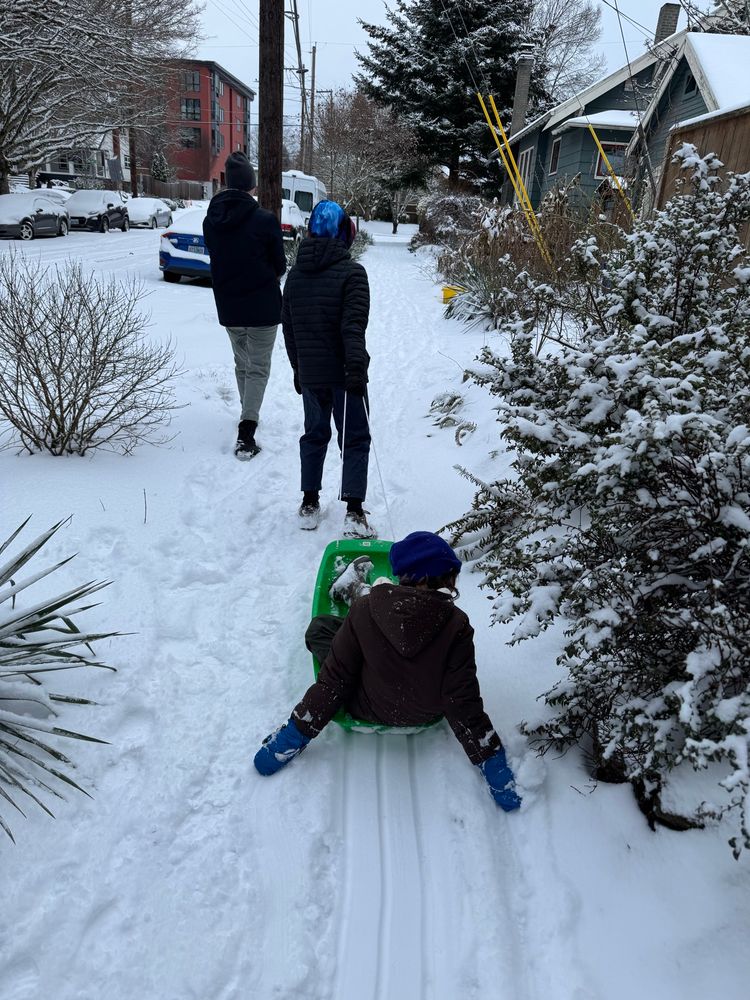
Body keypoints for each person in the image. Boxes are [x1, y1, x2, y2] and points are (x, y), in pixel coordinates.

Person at [253, 532, 522, 811]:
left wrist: (291, 737)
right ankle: (356, 588)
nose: (453, 584)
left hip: (366, 706)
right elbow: (461, 699)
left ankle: (355, 588)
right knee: (356, 636)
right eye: (450, 577)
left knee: (322, 628)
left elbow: (334, 683)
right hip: (423, 713)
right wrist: (493, 765)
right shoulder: (458, 624)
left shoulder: (363, 611)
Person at [281, 199, 374, 538]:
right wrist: (355, 370)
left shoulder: (295, 276)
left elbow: (288, 327)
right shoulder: (353, 274)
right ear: (343, 233)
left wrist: (298, 369)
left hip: (311, 375)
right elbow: (353, 327)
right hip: (342, 374)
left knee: (315, 434)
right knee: (355, 438)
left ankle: (309, 503)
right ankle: (353, 511)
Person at [203, 151, 286, 459]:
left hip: (229, 307)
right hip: (263, 307)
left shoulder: (210, 222)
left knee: (242, 362)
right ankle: (247, 428)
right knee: (258, 367)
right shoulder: (264, 220)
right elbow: (279, 265)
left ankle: (246, 411)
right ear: (251, 185)